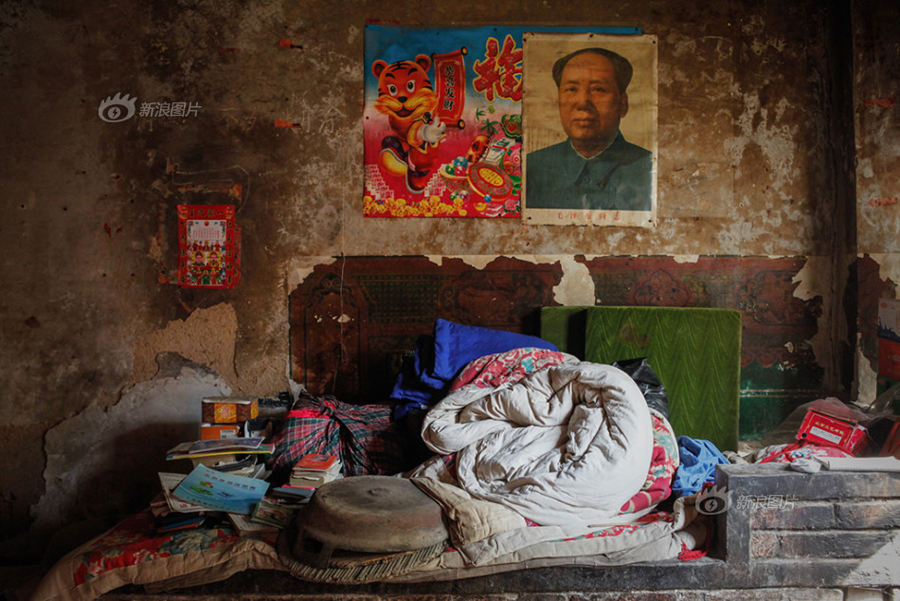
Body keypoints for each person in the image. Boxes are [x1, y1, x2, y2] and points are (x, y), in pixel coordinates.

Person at [526, 47, 652, 211]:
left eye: (597, 89)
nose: (583, 102)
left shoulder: (649, 169)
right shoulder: (532, 168)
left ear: (622, 104)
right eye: (571, 89)